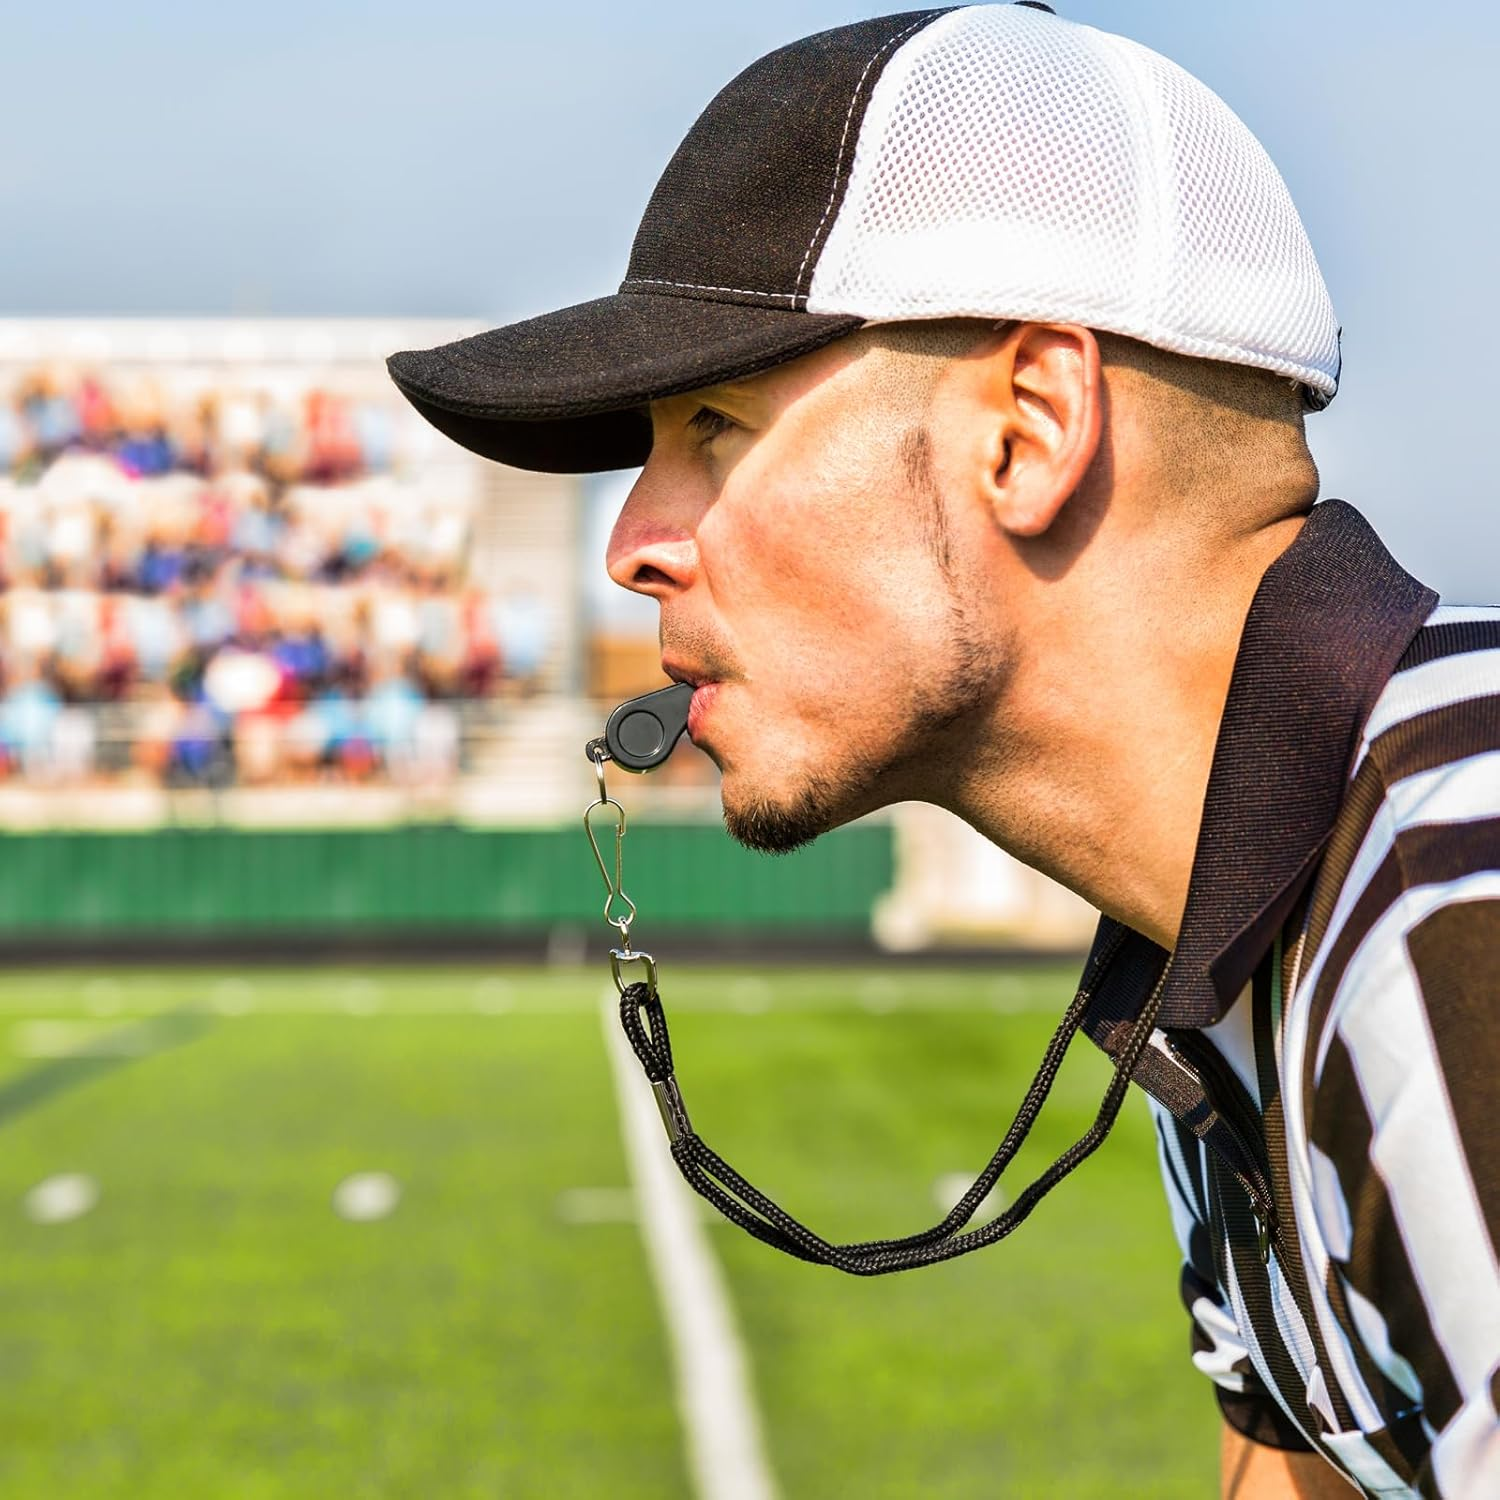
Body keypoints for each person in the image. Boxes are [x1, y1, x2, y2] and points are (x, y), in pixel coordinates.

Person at [387, 5, 1499, 1495]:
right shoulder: (1233, 929)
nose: (639, 546)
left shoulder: (1458, 902)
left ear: (1029, 428)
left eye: (714, 423)